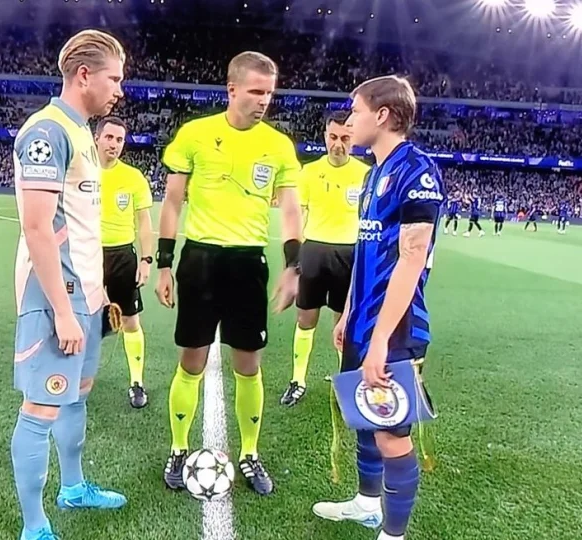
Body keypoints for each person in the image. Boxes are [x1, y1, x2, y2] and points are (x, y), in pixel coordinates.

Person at [155, 51, 302, 496]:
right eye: (256, 91)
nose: (264, 100)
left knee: (248, 365)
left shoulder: (279, 146)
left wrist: (294, 266)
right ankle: (179, 448)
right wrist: (164, 264)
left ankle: (250, 453)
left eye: (269, 93)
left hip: (248, 263)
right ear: (232, 89)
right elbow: (172, 203)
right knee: (192, 361)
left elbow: (291, 210)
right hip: (199, 261)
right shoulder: (194, 135)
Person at [9, 29, 128, 540]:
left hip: (87, 295)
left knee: (76, 396)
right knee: (42, 407)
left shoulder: (82, 133)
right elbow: (38, 228)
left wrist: (97, 294)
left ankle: (73, 487)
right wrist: (62, 310)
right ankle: (34, 526)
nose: (119, 89)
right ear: (84, 75)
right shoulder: (47, 131)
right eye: (114, 78)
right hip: (55, 295)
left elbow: (78, 224)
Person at [313, 75, 441, 540]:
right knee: (365, 414)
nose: (350, 121)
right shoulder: (371, 176)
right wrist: (349, 312)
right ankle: (367, 504)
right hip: (363, 320)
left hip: (397, 328)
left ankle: (394, 534)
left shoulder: (417, 171)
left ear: (382, 115)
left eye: (356, 111)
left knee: (391, 431)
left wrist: (382, 339)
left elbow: (412, 257)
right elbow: (366, 251)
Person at [282, 110, 370, 407]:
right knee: (305, 318)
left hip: (349, 253)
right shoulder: (308, 173)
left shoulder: (365, 174)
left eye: (345, 138)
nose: (338, 144)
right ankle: (297, 380)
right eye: (333, 137)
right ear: (325, 137)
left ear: (353, 139)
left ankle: (346, 384)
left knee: (343, 321)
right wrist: (293, 261)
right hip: (314, 251)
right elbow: (297, 216)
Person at [95, 116, 154, 409]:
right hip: (88, 254)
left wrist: (146, 259)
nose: (115, 144)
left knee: (130, 320)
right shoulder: (81, 172)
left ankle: (136, 383)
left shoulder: (133, 177)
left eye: (119, 139)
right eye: (109, 137)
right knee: (83, 319)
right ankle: (78, 377)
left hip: (122, 256)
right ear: (97, 138)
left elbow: (144, 223)